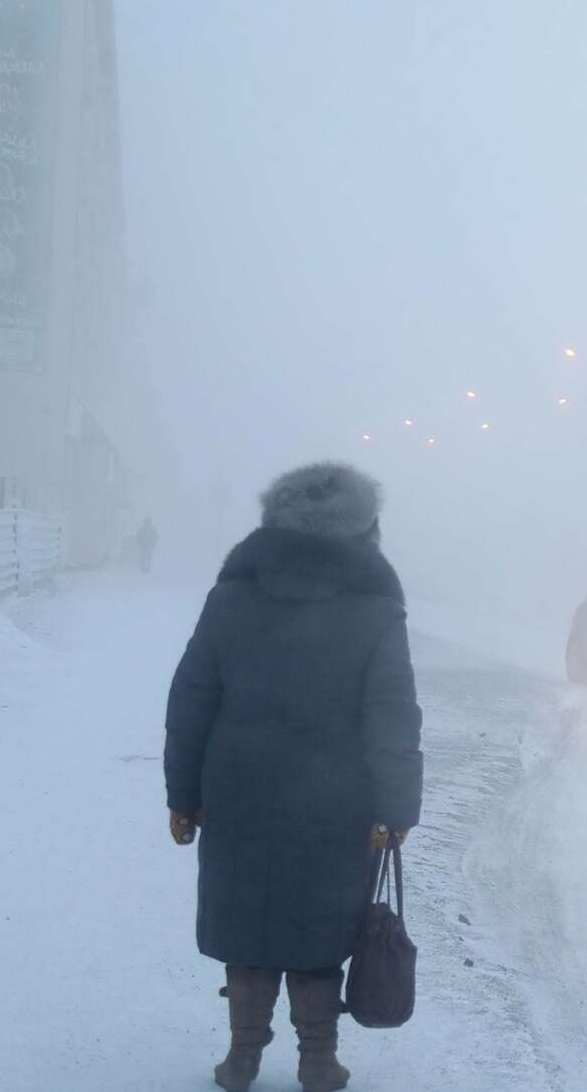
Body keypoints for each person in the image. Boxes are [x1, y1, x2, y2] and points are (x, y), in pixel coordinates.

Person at [164, 462, 423, 1092]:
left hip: (239, 792)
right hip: (336, 800)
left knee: (247, 920)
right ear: (365, 532)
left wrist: (184, 794)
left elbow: (192, 698)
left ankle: (242, 1057)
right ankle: (317, 1060)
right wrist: (396, 808)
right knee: (321, 925)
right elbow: (392, 717)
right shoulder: (375, 613)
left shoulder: (231, 598)